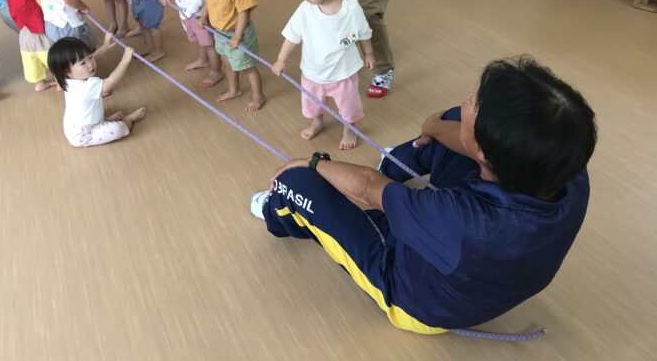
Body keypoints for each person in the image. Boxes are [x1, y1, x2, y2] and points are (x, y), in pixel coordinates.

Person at [250, 56, 596, 333]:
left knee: (296, 181)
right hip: (469, 262)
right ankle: (394, 165)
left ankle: (277, 212)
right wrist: (433, 127)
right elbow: (470, 140)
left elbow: (368, 188)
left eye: (476, 99)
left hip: (416, 301)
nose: (469, 97)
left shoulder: (459, 218)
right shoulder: (567, 169)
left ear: (484, 154)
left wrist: (314, 162)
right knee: (454, 120)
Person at [272, 0, 373, 150]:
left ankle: (349, 129)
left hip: (343, 73)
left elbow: (363, 32)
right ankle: (317, 122)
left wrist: (369, 53)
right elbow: (292, 36)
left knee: (348, 105)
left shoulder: (351, 8)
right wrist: (281, 59)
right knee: (312, 103)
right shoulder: (305, 10)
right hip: (313, 72)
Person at [197, 0, 265, 112]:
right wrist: (203, 17)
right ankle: (235, 89)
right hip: (220, 32)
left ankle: (258, 96)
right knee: (227, 62)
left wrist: (237, 36)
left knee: (247, 66)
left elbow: (244, 12)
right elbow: (209, 1)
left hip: (238, 33)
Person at [48, 34, 146, 148]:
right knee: (117, 129)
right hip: (84, 135)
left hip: (74, 127)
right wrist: (124, 61)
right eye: (83, 63)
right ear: (66, 71)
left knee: (100, 115)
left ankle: (104, 121)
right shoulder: (85, 87)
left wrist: (105, 46)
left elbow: (94, 57)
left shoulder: (66, 78)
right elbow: (110, 82)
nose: (90, 63)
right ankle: (129, 120)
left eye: (89, 57)